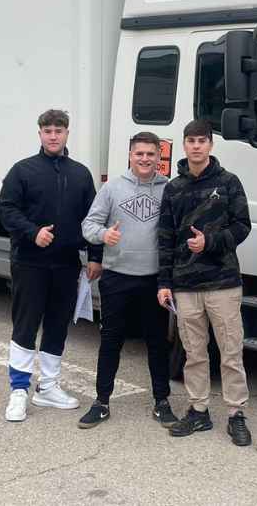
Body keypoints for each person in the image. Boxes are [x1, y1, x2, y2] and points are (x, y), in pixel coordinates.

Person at [0, 109, 102, 422]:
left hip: (67, 265)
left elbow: (93, 218)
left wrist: (95, 256)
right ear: (40, 134)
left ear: (67, 133)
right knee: (26, 325)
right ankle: (18, 391)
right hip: (30, 262)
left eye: (59, 130)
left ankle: (48, 387)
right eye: (47, 130)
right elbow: (7, 210)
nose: (53, 135)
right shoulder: (23, 171)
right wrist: (33, 232)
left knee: (57, 324)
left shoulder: (81, 174)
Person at [156, 119, 253, 446]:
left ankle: (236, 414)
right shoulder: (173, 188)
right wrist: (164, 281)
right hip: (185, 286)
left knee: (230, 352)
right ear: (184, 145)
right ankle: (199, 411)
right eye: (191, 141)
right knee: (194, 354)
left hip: (223, 283)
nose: (196, 146)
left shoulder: (228, 182)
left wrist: (210, 242)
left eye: (202, 140)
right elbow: (165, 237)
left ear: (211, 145)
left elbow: (243, 226)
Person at [77, 131, 179, 429]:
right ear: (130, 156)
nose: (145, 159)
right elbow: (89, 224)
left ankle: (162, 401)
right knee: (110, 341)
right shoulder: (112, 188)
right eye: (139, 154)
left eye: (151, 154)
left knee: (158, 343)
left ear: (159, 158)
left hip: (154, 281)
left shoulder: (168, 190)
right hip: (117, 277)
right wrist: (103, 235)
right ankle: (101, 401)